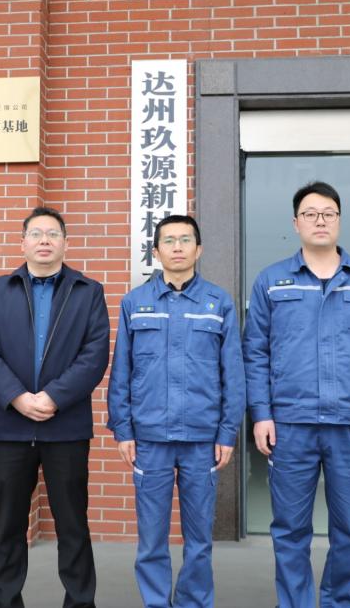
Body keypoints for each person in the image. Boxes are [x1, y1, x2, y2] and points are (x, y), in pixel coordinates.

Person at [244, 181, 350, 608]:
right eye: (310, 214)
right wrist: (261, 414)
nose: (320, 220)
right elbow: (254, 354)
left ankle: (344, 601)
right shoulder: (272, 281)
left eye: (328, 213)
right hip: (290, 425)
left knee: (349, 528)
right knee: (289, 529)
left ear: (339, 221)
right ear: (295, 223)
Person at [0, 206, 110, 608]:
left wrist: (53, 397)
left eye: (52, 234)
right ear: (23, 243)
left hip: (66, 426)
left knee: (73, 525)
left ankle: (80, 602)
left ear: (65, 243)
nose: (44, 240)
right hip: (10, 427)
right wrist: (17, 397)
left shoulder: (88, 291)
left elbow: (95, 354)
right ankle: (5, 602)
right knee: (8, 526)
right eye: (36, 233)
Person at [107, 214, 245, 608]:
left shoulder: (218, 303)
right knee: (151, 539)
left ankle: (193, 602)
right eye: (169, 240)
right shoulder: (135, 303)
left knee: (199, 539)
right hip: (150, 438)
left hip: (202, 438)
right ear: (156, 251)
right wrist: (123, 430)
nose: (178, 247)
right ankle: (156, 602)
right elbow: (121, 371)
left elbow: (233, 373)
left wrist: (227, 432)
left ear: (199, 250)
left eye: (186, 240)